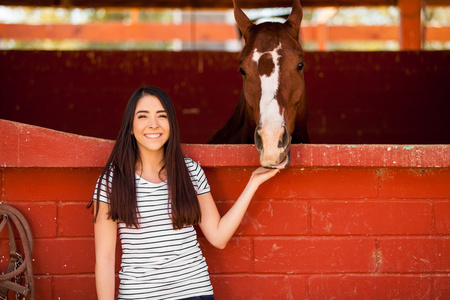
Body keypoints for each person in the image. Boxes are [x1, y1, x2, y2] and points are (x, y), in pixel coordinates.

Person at [88, 86, 282, 300]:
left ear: (171, 124)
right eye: (143, 116)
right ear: (131, 128)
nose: (154, 124)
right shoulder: (111, 181)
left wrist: (253, 182)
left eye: (162, 116)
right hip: (139, 295)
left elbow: (218, 237)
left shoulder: (189, 171)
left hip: (194, 292)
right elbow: (104, 259)